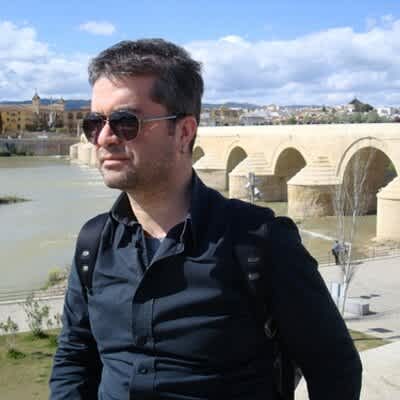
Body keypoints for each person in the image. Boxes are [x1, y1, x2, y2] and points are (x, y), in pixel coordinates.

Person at [50, 39, 362, 400]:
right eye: (94, 123)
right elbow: (74, 357)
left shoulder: (259, 244)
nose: (103, 138)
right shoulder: (93, 243)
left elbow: (334, 368)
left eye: (125, 122)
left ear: (183, 132)